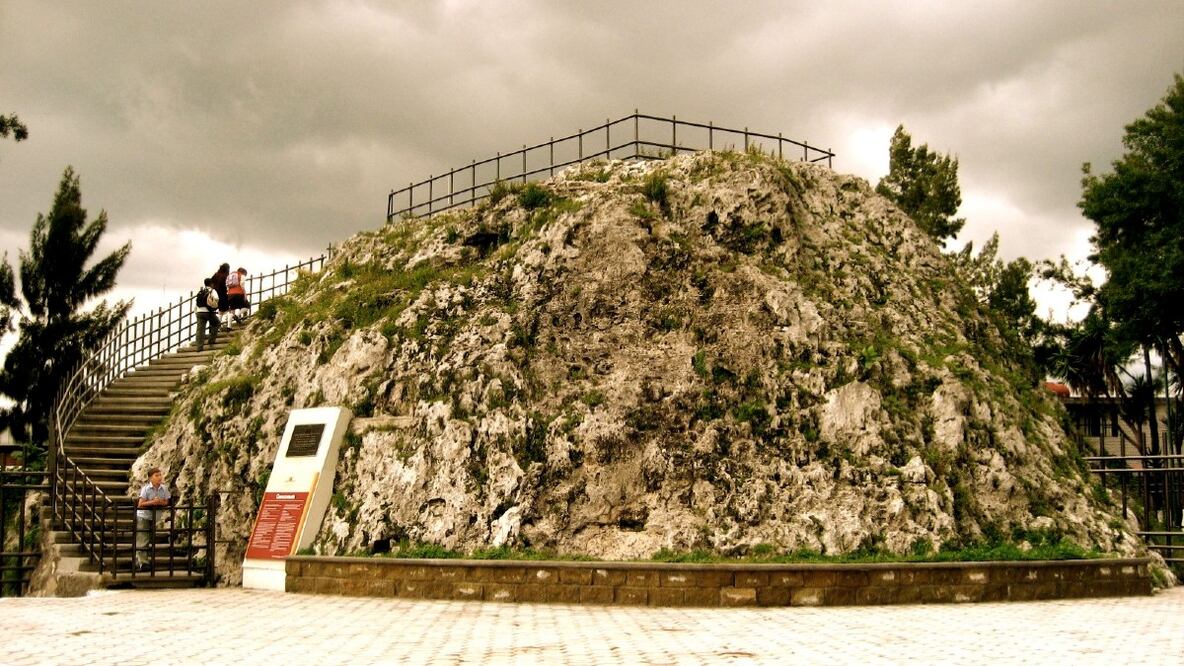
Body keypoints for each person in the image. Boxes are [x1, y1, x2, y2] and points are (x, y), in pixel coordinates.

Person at [135, 467, 171, 571]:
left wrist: (159, 502)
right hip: (144, 515)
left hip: (155, 516)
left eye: (160, 475)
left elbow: (166, 502)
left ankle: (140, 560)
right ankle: (143, 563)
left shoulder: (164, 488)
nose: (159, 477)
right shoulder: (146, 489)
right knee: (143, 538)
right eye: (156, 475)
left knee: (149, 537)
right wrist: (152, 502)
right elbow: (140, 504)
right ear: (151, 478)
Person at [195, 277, 220, 351]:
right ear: (211, 284)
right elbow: (216, 299)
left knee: (200, 330)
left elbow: (196, 303)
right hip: (208, 312)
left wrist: (196, 312)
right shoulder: (212, 291)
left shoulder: (201, 291)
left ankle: (199, 347)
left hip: (199, 312)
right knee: (216, 323)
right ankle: (211, 340)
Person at [211, 262, 231, 328]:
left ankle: (218, 326)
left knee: (220, 311)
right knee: (227, 310)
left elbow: (211, 282)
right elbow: (225, 286)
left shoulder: (216, 275)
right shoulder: (224, 276)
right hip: (223, 295)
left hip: (215, 295)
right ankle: (228, 326)